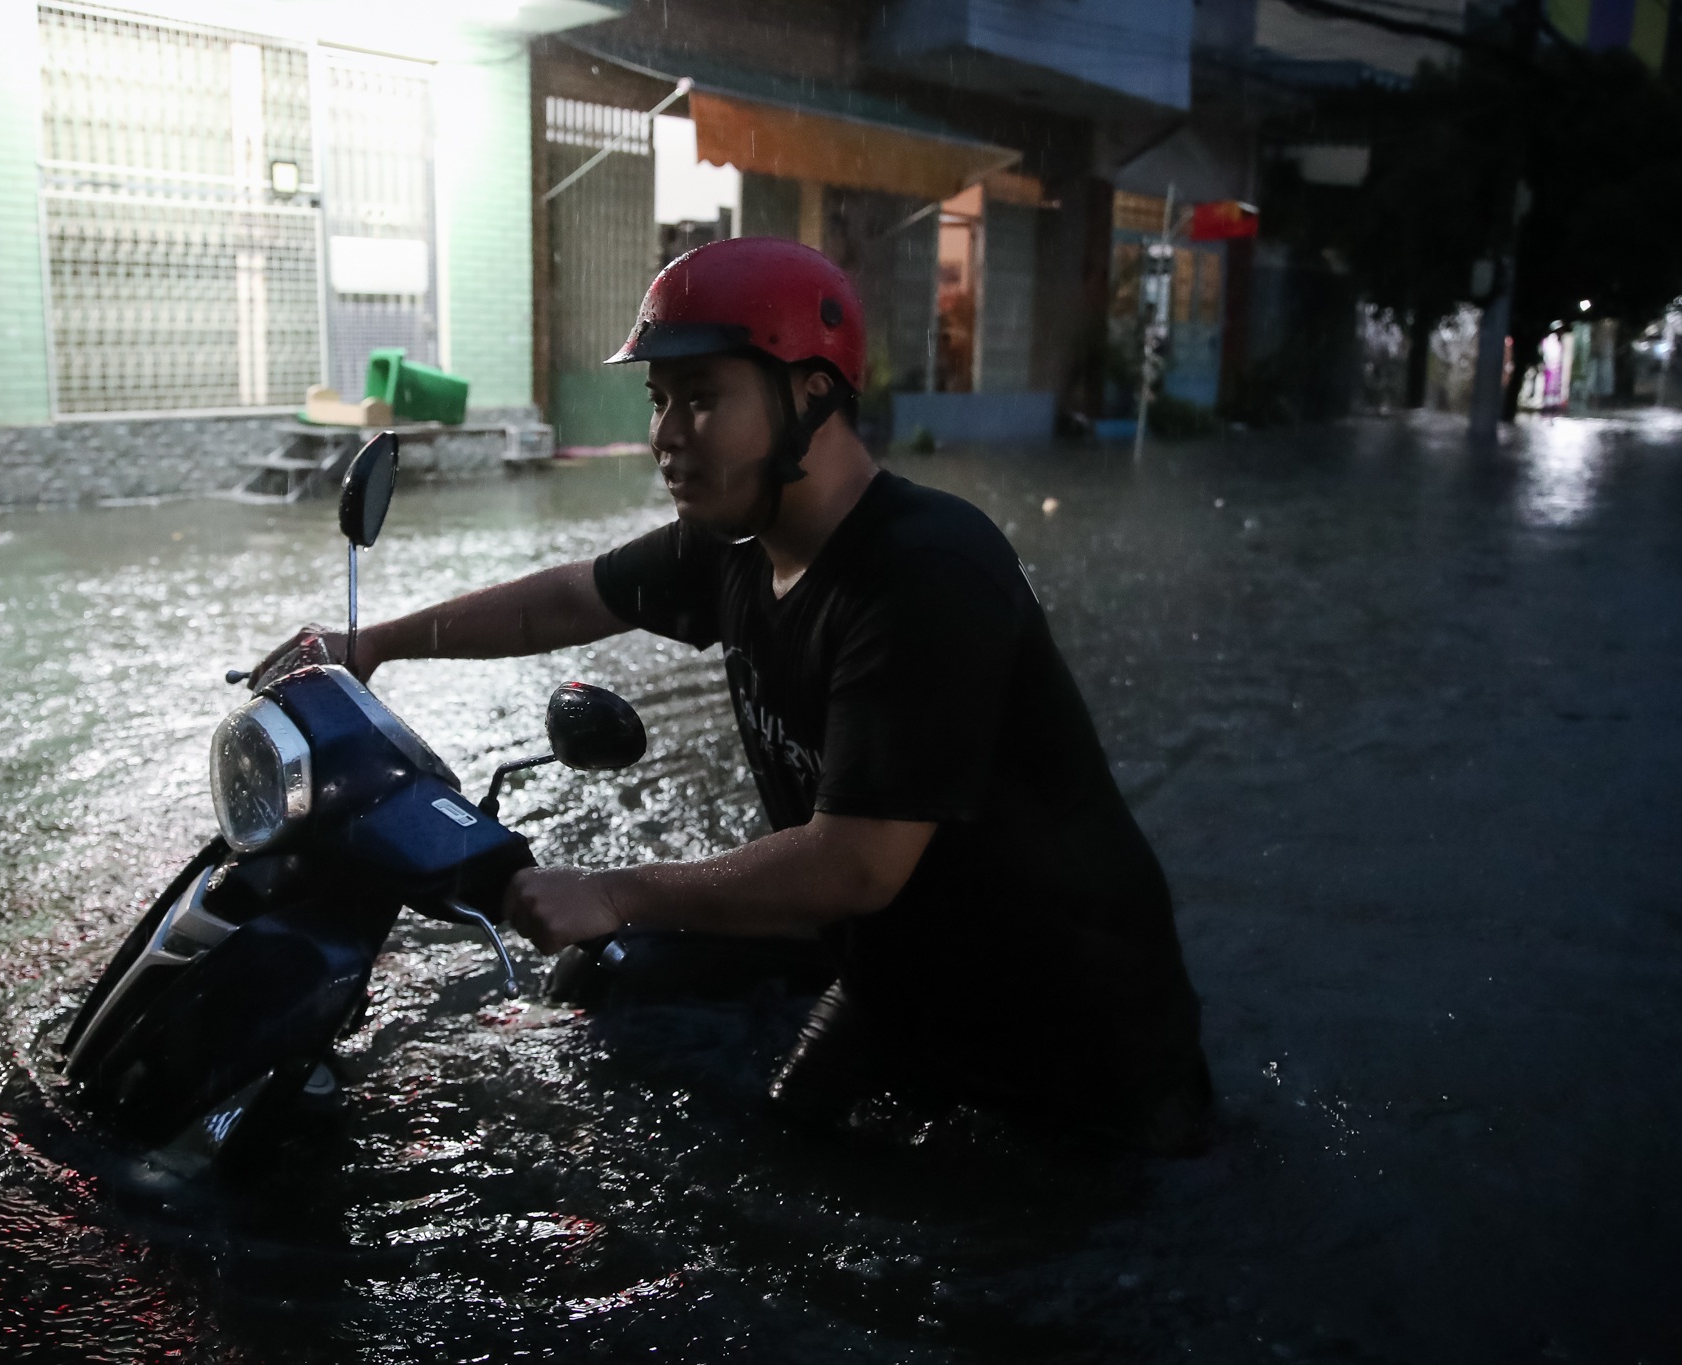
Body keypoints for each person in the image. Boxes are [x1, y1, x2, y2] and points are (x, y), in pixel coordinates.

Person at [256, 237, 1210, 1153]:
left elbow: (854, 866)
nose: (666, 436)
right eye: (658, 398)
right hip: (896, 967)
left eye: (702, 399)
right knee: (762, 1116)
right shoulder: (736, 550)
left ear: (811, 396)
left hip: (1066, 1021)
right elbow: (564, 598)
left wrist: (612, 891)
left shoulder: (925, 572)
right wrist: (372, 643)